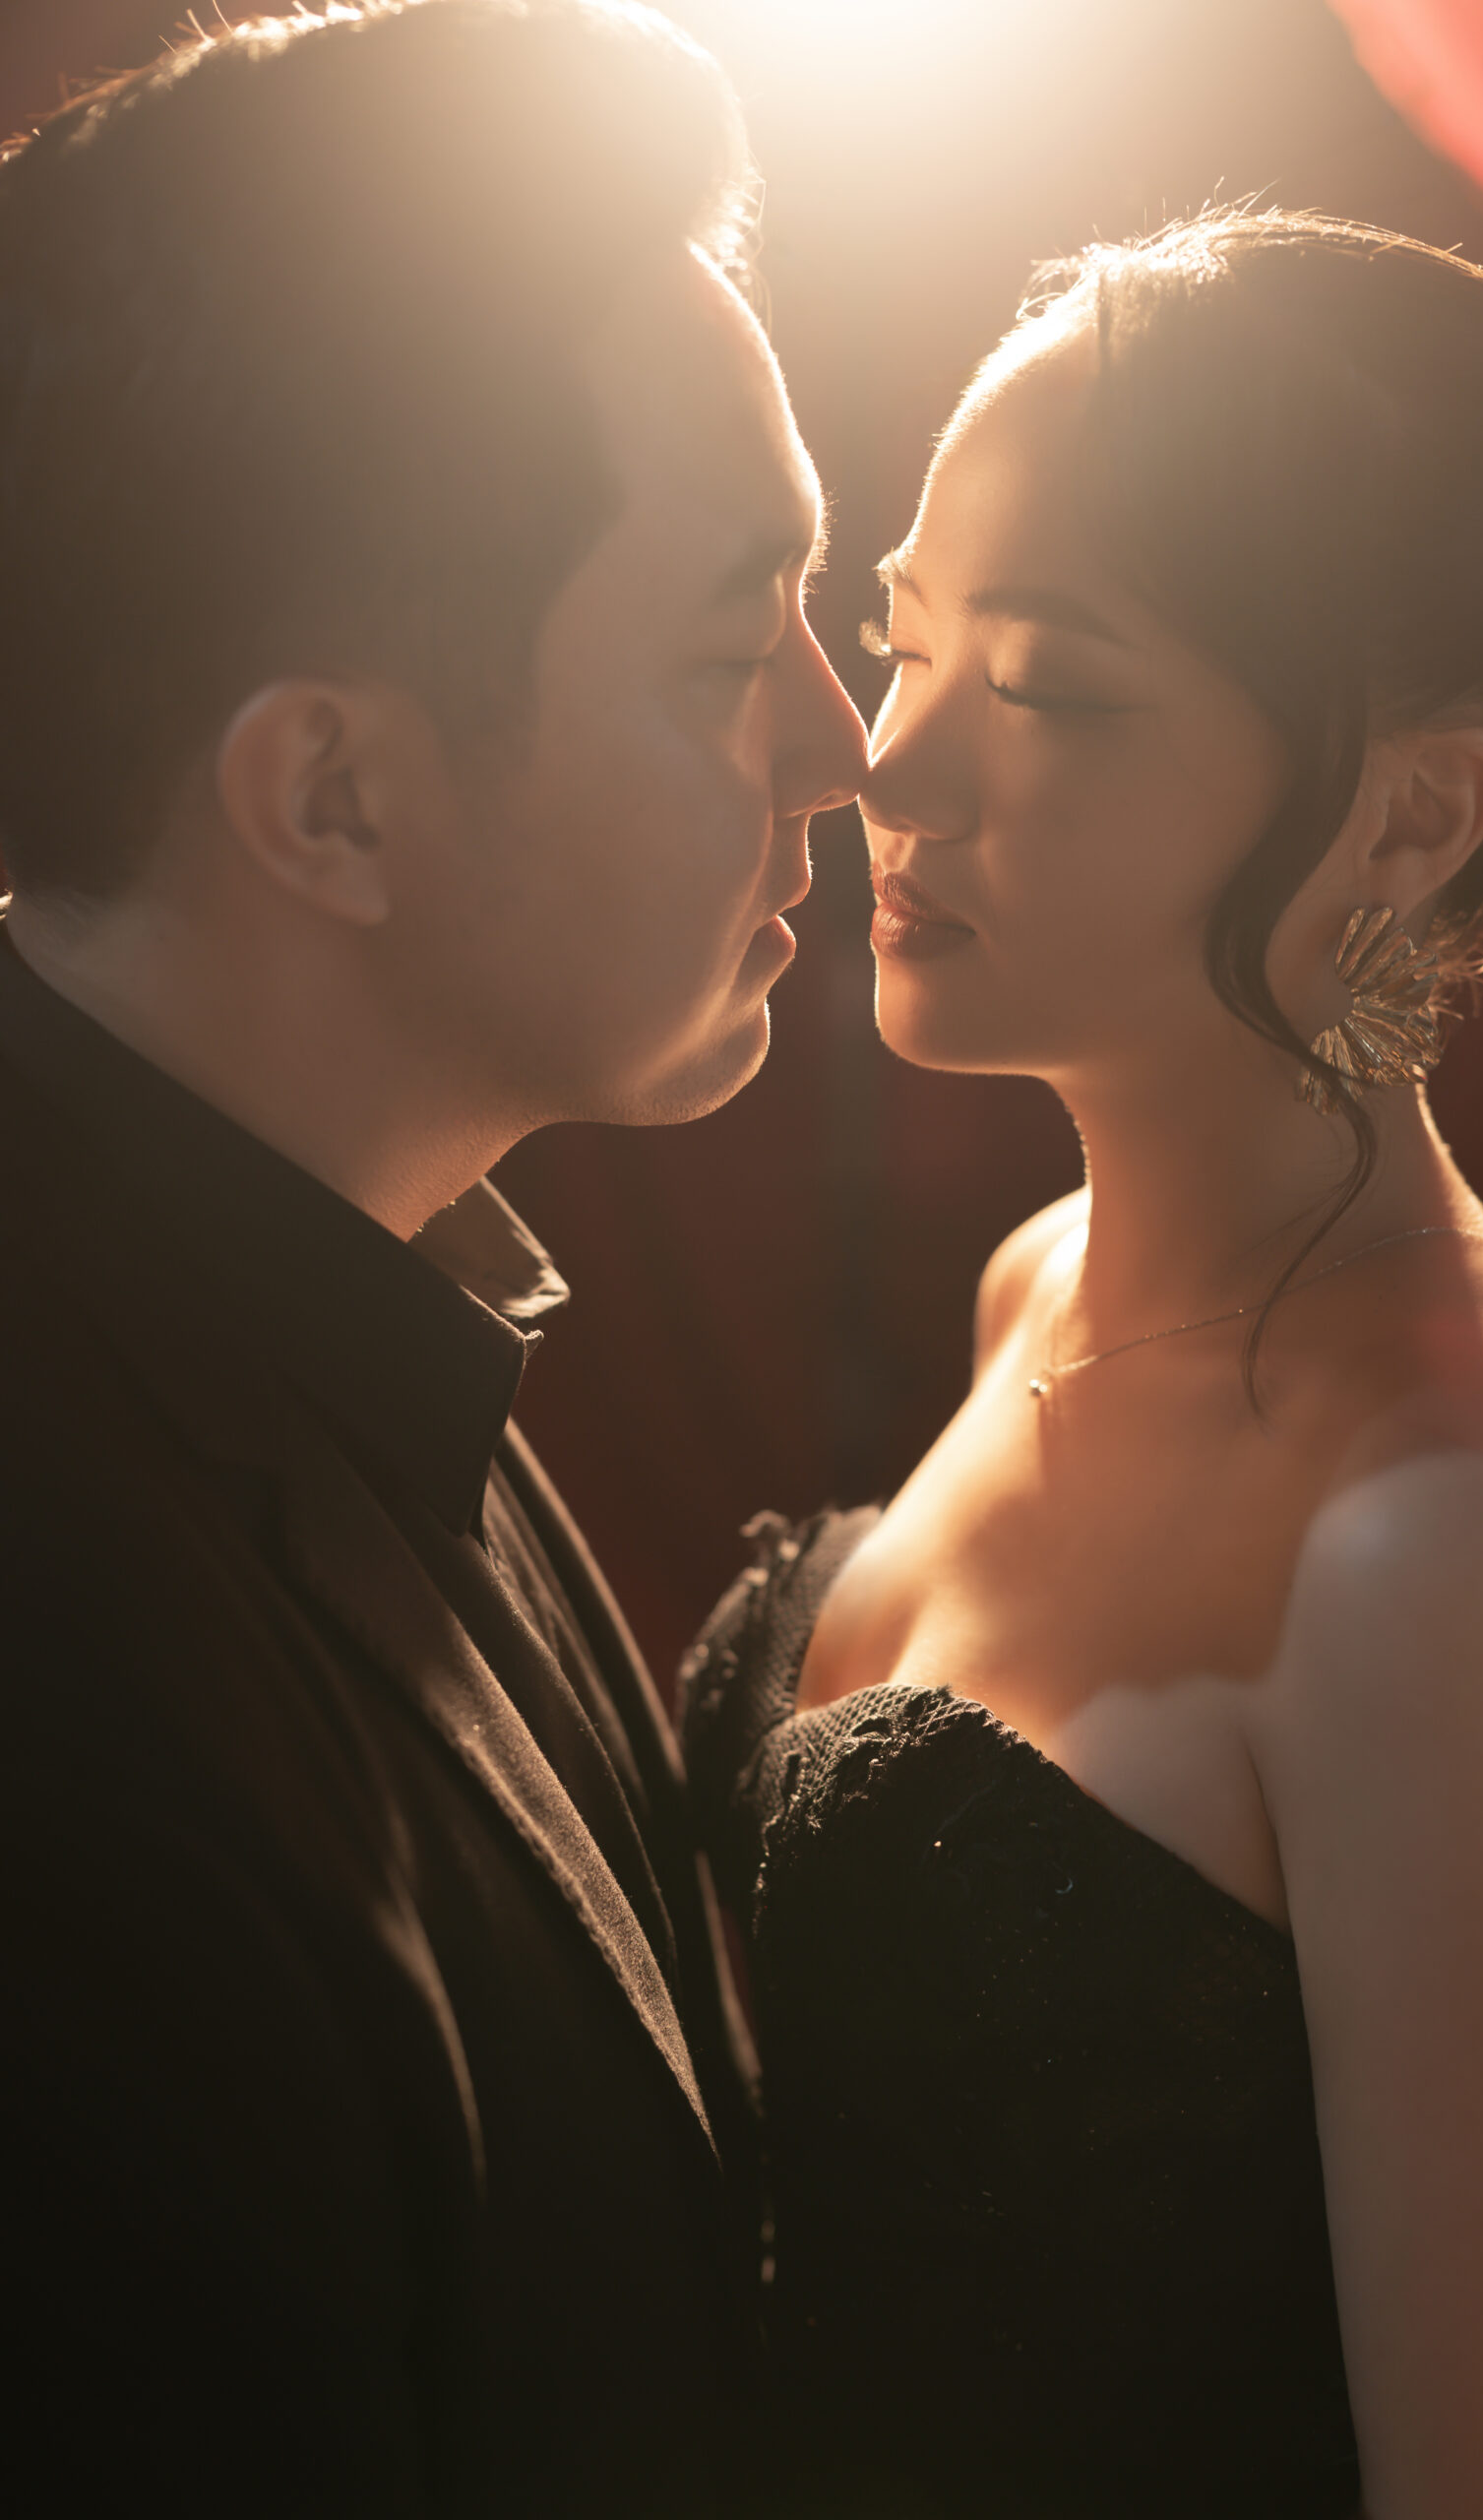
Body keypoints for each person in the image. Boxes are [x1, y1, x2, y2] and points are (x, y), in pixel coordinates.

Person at [683, 210, 1483, 2520]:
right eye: (902, 638)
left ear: (1410, 810)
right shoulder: (1041, 1277)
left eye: (1044, 687)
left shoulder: (1442, 1550)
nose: (887, 765)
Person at [0, 3, 865, 2511]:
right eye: (729, 647)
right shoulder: (66, 1696)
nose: (842, 748)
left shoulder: (370, 1273)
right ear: (335, 794)